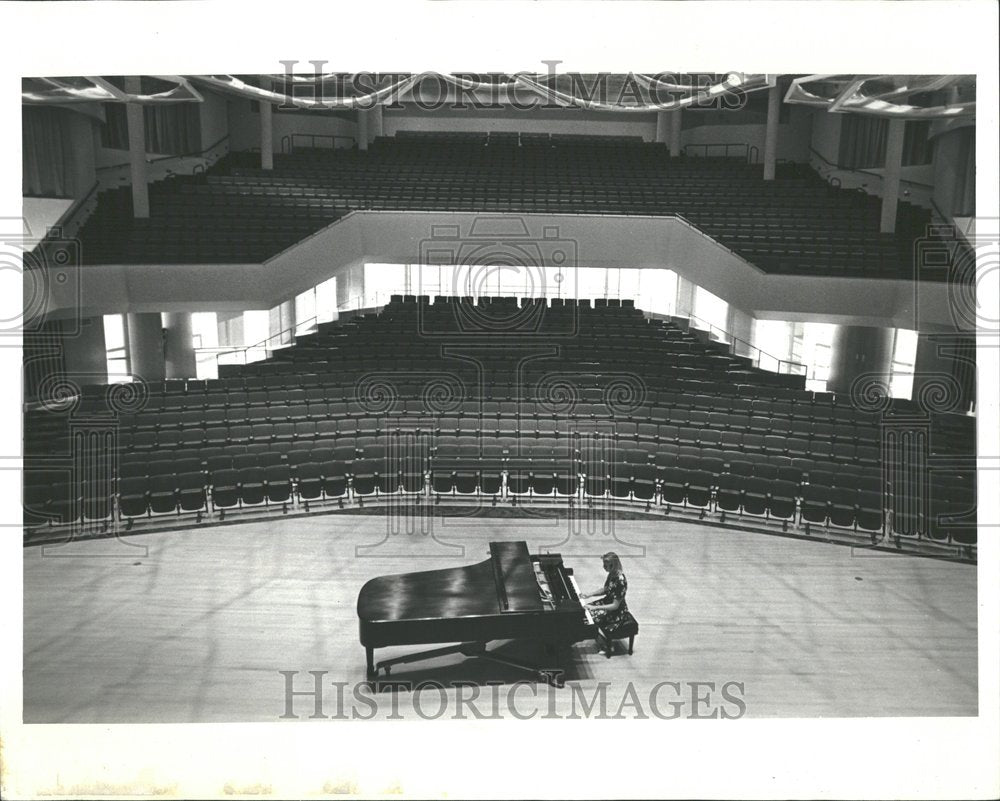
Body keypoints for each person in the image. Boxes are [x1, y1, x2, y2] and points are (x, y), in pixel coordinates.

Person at [580, 552, 629, 640]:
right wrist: (589, 595)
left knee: (590, 617)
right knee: (584, 610)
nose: (604, 567)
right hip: (607, 602)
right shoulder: (612, 574)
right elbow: (606, 589)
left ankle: (602, 642)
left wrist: (595, 608)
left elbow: (615, 606)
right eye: (604, 565)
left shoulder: (621, 581)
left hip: (616, 612)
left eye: (606, 566)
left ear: (613, 565)